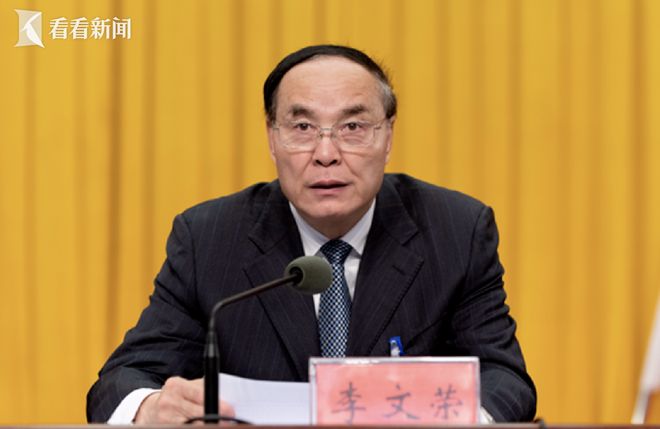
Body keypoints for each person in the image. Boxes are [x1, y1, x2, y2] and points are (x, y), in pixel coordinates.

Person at [87, 44, 537, 424]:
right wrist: (150, 408)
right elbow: (122, 381)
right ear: (272, 138)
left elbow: (505, 379)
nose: (326, 153)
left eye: (352, 128)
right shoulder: (209, 239)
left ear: (388, 137)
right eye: (302, 128)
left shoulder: (455, 230)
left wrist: (468, 421)